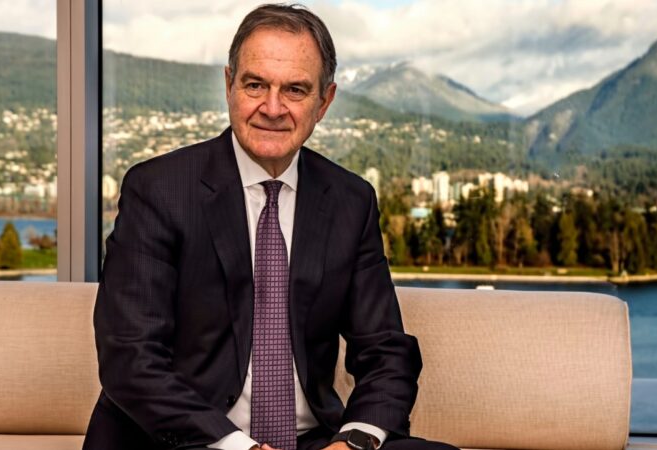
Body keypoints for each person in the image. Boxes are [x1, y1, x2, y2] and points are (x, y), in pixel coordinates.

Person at [82, 4, 458, 450]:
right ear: (229, 85)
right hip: (188, 441)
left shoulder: (350, 201)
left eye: (295, 90)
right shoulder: (159, 190)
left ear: (324, 102)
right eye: (255, 85)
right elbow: (130, 357)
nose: (272, 108)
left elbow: (386, 354)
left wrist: (352, 443)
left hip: (313, 442)